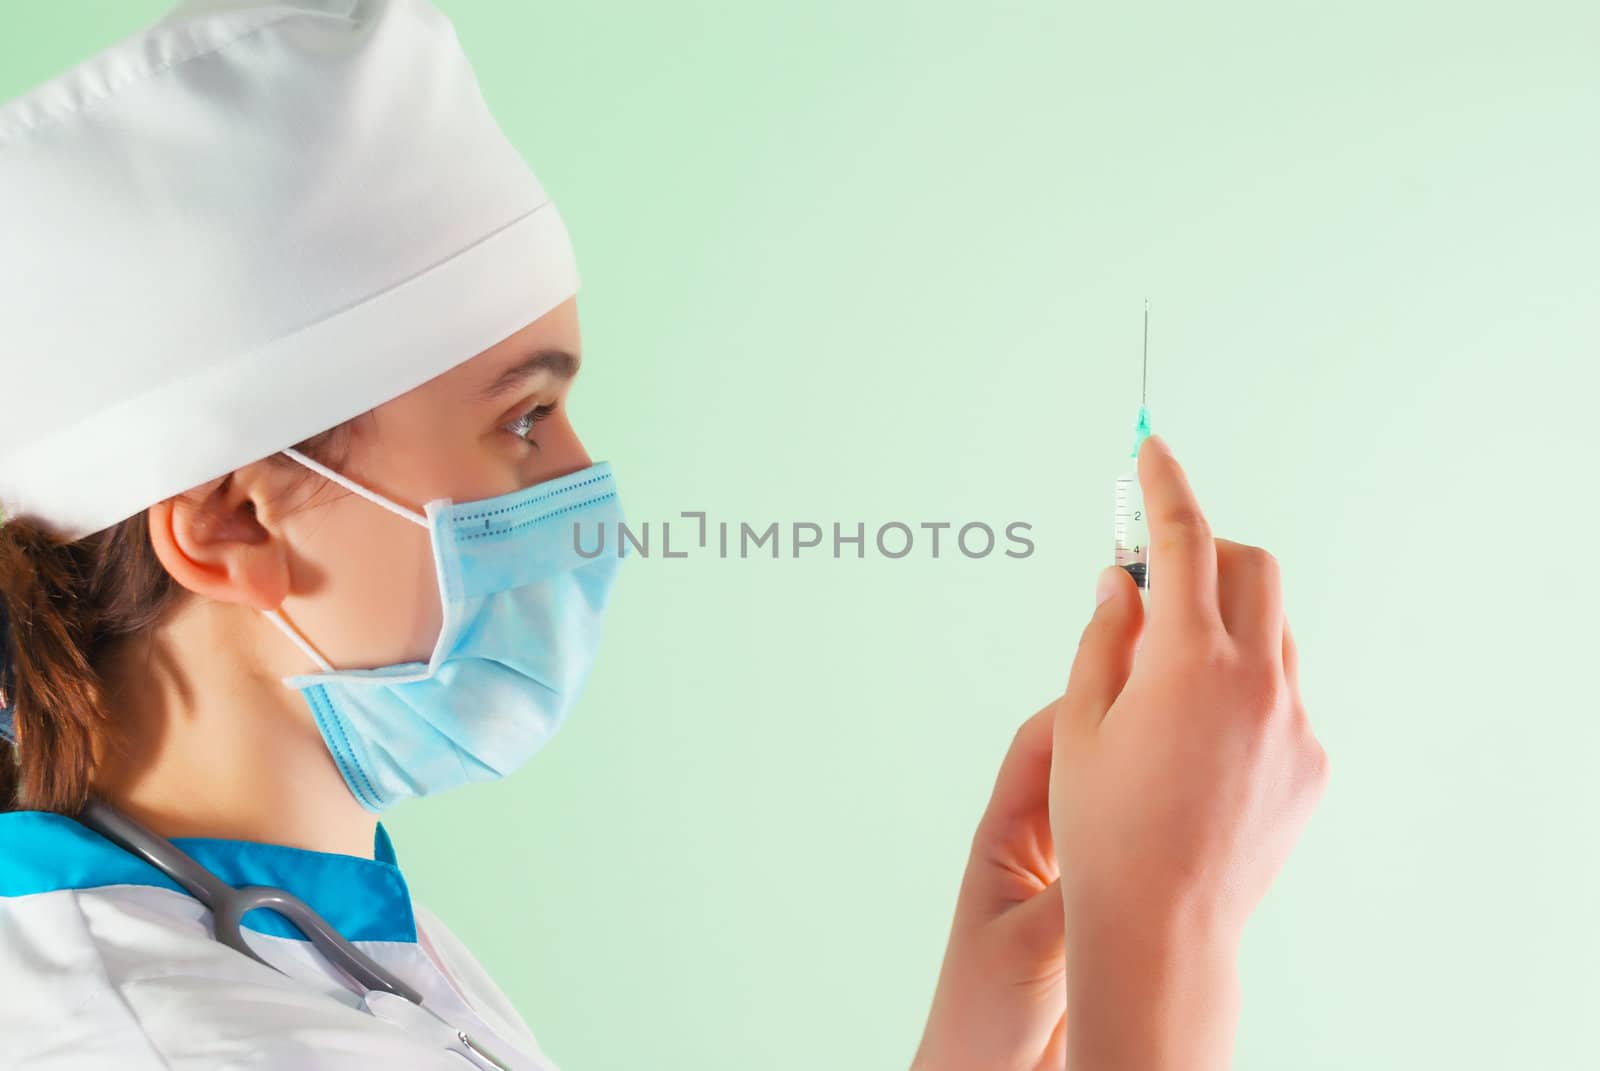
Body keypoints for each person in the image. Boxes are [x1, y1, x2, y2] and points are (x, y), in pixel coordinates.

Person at [0, 2, 1328, 1068]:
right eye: (524, 422)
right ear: (236, 522)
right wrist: (1167, 931)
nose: (594, 503)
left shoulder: (297, 930)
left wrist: (983, 1038)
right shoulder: (164, 1039)